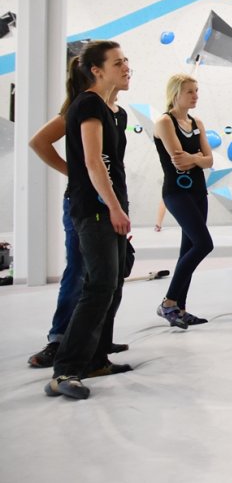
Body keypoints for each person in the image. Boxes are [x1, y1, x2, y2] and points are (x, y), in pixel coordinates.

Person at [27, 59, 130, 368]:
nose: (126, 69)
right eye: (119, 63)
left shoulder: (117, 115)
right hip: (85, 205)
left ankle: (96, 343)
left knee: (110, 276)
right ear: (98, 71)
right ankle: (58, 340)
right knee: (80, 272)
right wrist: (75, 174)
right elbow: (39, 141)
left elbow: (111, 163)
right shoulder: (81, 107)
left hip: (110, 202)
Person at [153, 74, 215, 328]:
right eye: (190, 91)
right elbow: (178, 158)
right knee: (203, 244)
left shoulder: (196, 122)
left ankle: (180, 308)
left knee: (187, 249)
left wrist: (197, 159)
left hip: (199, 191)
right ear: (176, 94)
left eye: (196, 91)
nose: (195, 95)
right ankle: (168, 303)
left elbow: (210, 160)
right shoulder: (164, 122)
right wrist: (197, 157)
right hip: (177, 192)